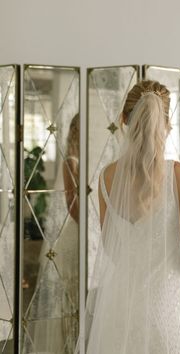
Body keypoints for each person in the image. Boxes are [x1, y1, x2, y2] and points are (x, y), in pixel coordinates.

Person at [75, 80, 180, 354]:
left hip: (120, 303)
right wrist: (174, 298)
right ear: (166, 124)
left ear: (123, 119)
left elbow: (111, 246)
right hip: (164, 304)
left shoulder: (107, 177)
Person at [23, 114, 80, 354]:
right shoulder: (71, 161)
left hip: (80, 232)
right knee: (70, 294)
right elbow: (71, 203)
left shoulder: (82, 160)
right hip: (75, 233)